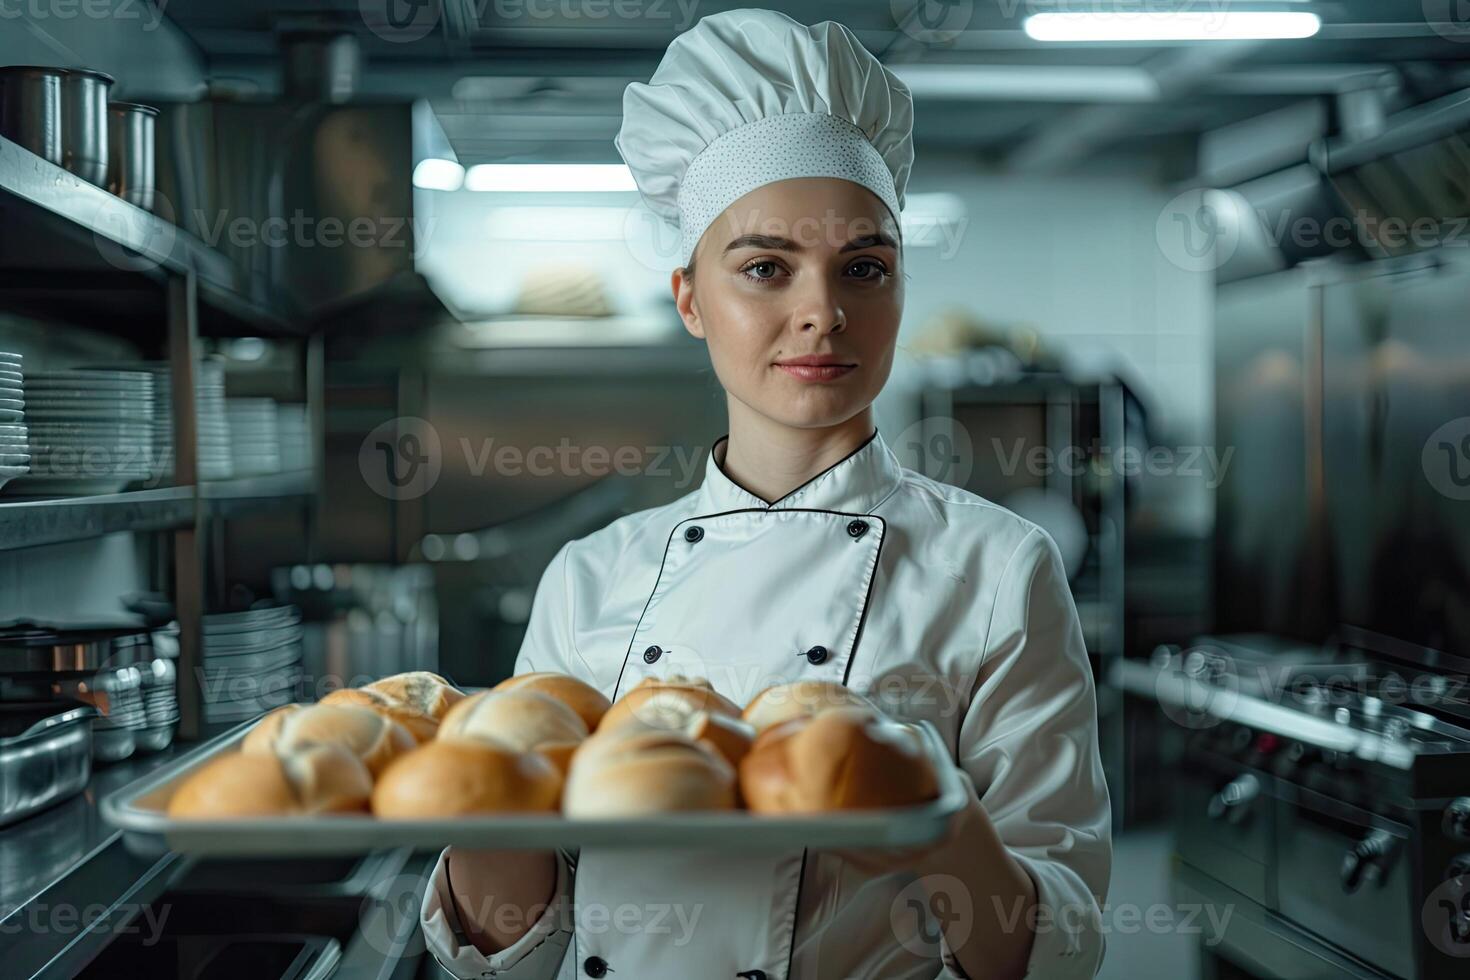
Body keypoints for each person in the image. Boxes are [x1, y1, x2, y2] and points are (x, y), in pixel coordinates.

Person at [418, 9, 1111, 979]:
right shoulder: (589, 575)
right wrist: (488, 806)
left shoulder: (997, 566)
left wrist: (936, 820)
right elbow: (509, 951)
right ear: (690, 298)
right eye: (765, 267)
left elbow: (1055, 946)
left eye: (863, 266)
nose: (821, 310)